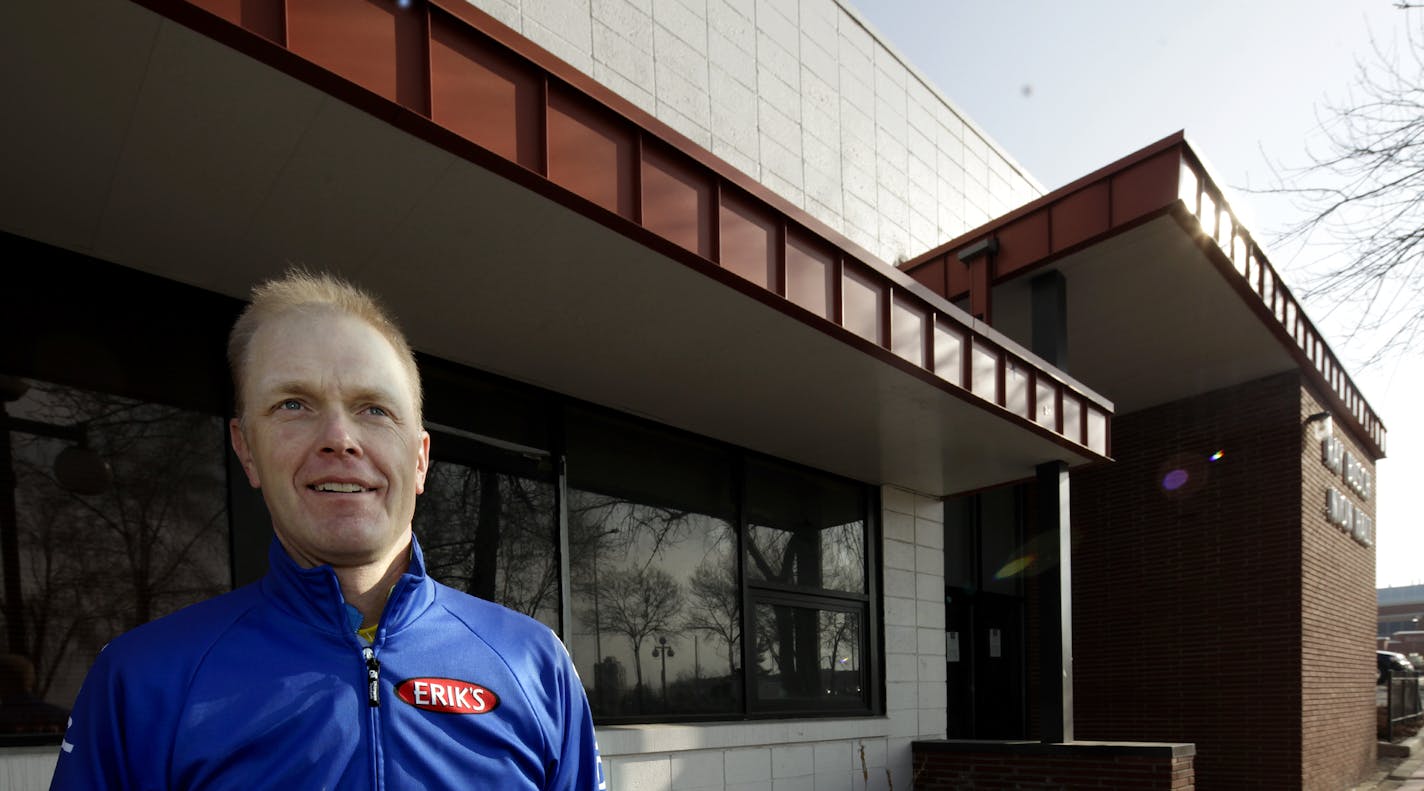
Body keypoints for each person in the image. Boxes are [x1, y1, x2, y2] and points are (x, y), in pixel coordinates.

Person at [50, 271, 603, 790]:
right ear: (246, 450)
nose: (340, 438)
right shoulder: (140, 681)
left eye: (374, 409)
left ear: (420, 458)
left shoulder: (535, 664)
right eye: (294, 404)